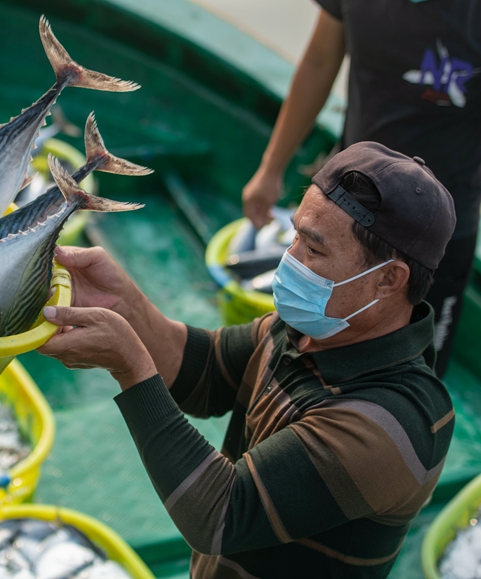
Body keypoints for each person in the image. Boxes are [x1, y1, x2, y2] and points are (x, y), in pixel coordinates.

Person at [39, 142, 456, 579]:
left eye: (314, 251)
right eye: (294, 234)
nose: (289, 260)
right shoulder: (314, 329)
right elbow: (203, 371)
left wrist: (130, 366)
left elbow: (221, 515)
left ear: (389, 278)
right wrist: (125, 304)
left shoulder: (392, 424)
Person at [242, 0, 480, 377]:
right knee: (303, 353)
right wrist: (271, 169)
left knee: (421, 377)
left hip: (438, 237)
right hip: (347, 213)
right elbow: (319, 61)